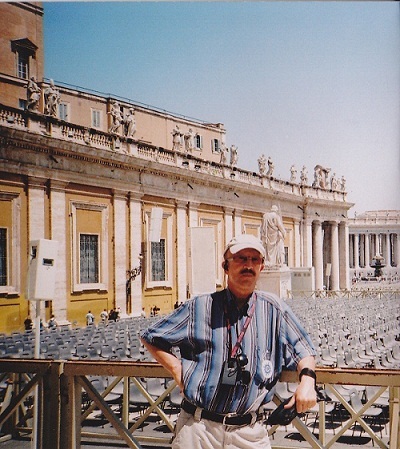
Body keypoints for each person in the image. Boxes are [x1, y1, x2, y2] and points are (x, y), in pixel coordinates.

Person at [140, 233, 317, 449]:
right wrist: (178, 370)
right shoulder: (199, 307)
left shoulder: (274, 309)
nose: (248, 265)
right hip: (199, 428)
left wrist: (308, 382)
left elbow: (303, 348)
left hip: (250, 432)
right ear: (226, 267)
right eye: (241, 259)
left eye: (255, 260)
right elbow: (151, 336)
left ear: (261, 267)